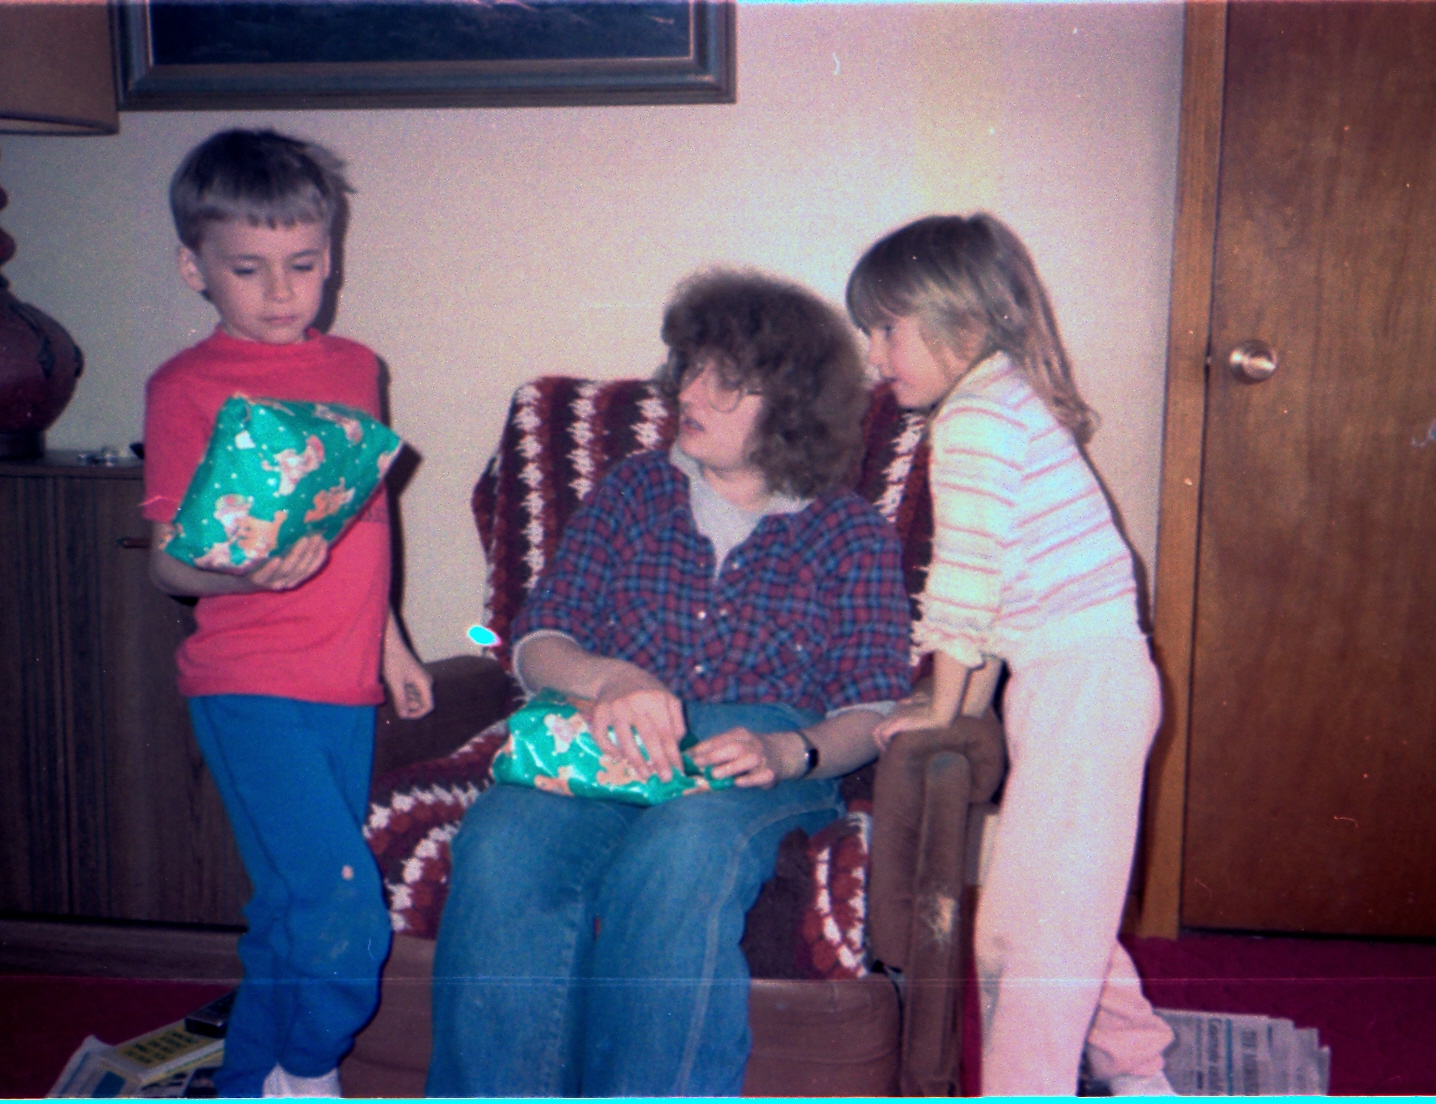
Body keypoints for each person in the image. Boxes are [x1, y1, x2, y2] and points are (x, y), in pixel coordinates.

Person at [425, 269, 912, 1097]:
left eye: (726, 382)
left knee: (681, 853)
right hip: (604, 740)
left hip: (753, 759)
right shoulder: (634, 491)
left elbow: (872, 705)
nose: (689, 393)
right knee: (501, 846)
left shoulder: (850, 532)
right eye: (691, 368)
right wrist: (607, 677)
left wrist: (789, 751)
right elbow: (535, 642)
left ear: (792, 405)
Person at [848, 213, 1176, 1096]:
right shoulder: (998, 399)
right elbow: (997, 602)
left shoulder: (976, 421)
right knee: (1059, 912)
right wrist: (955, 700)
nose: (874, 356)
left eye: (887, 330)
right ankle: (1141, 1077)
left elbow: (965, 582)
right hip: (1073, 683)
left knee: (1033, 940)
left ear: (961, 322)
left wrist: (941, 702)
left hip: (1081, 689)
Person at [141, 129, 434, 1098]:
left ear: (331, 258)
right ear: (195, 268)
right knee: (344, 907)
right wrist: (253, 580)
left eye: (303, 265)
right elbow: (170, 567)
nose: (280, 292)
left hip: (343, 684)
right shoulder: (185, 387)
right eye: (248, 269)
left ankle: (249, 1084)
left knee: (285, 912)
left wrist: (391, 642)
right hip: (248, 685)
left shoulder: (357, 368)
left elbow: (366, 516)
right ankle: (308, 1072)